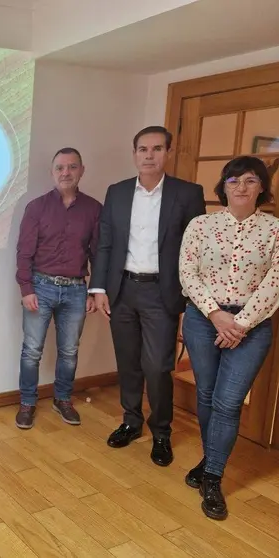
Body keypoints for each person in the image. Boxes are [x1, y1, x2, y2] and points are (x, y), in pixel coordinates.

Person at [90, 125, 205, 466]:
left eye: (157, 149)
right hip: (122, 289)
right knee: (128, 363)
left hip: (161, 292)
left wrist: (192, 298)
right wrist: (99, 288)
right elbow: (106, 243)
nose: (149, 155)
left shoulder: (187, 194)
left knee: (157, 367)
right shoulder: (118, 192)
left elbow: (195, 249)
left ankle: (162, 432)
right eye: (143, 149)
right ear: (135, 154)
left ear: (168, 152)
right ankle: (130, 421)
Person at [179, 156, 279, 520]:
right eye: (233, 180)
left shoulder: (274, 229)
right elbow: (187, 272)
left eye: (250, 180)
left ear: (262, 189)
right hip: (203, 319)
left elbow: (275, 282)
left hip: (251, 328)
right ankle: (211, 460)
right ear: (223, 186)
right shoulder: (200, 225)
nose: (241, 187)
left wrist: (241, 323)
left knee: (228, 402)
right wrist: (217, 315)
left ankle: (213, 477)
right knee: (206, 395)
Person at [14, 148, 100, 429]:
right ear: (52, 172)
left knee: (69, 351)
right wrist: (26, 288)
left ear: (81, 171)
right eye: (60, 168)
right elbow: (24, 251)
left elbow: (98, 253)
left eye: (72, 167)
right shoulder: (36, 207)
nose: (66, 173)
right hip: (40, 287)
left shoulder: (93, 209)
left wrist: (94, 291)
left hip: (76, 290)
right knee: (32, 350)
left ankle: (62, 398)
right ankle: (27, 402)